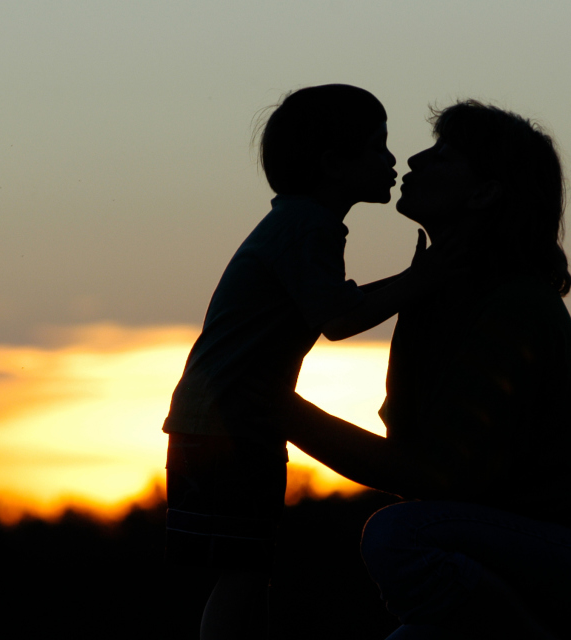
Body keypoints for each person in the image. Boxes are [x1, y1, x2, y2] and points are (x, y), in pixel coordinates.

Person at [281, 101, 571, 639]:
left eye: (443, 155)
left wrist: (283, 413)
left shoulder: (516, 307)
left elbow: (434, 477)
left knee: (399, 535)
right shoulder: (430, 296)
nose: (414, 160)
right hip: (517, 546)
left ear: (485, 193)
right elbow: (415, 461)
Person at [161, 84, 433, 640]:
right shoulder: (309, 227)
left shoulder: (298, 222)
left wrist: (411, 282)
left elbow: (333, 305)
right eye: (378, 146)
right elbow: (339, 316)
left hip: (217, 419)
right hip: (231, 423)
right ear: (333, 163)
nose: (392, 160)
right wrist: (420, 282)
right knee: (245, 570)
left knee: (245, 569)